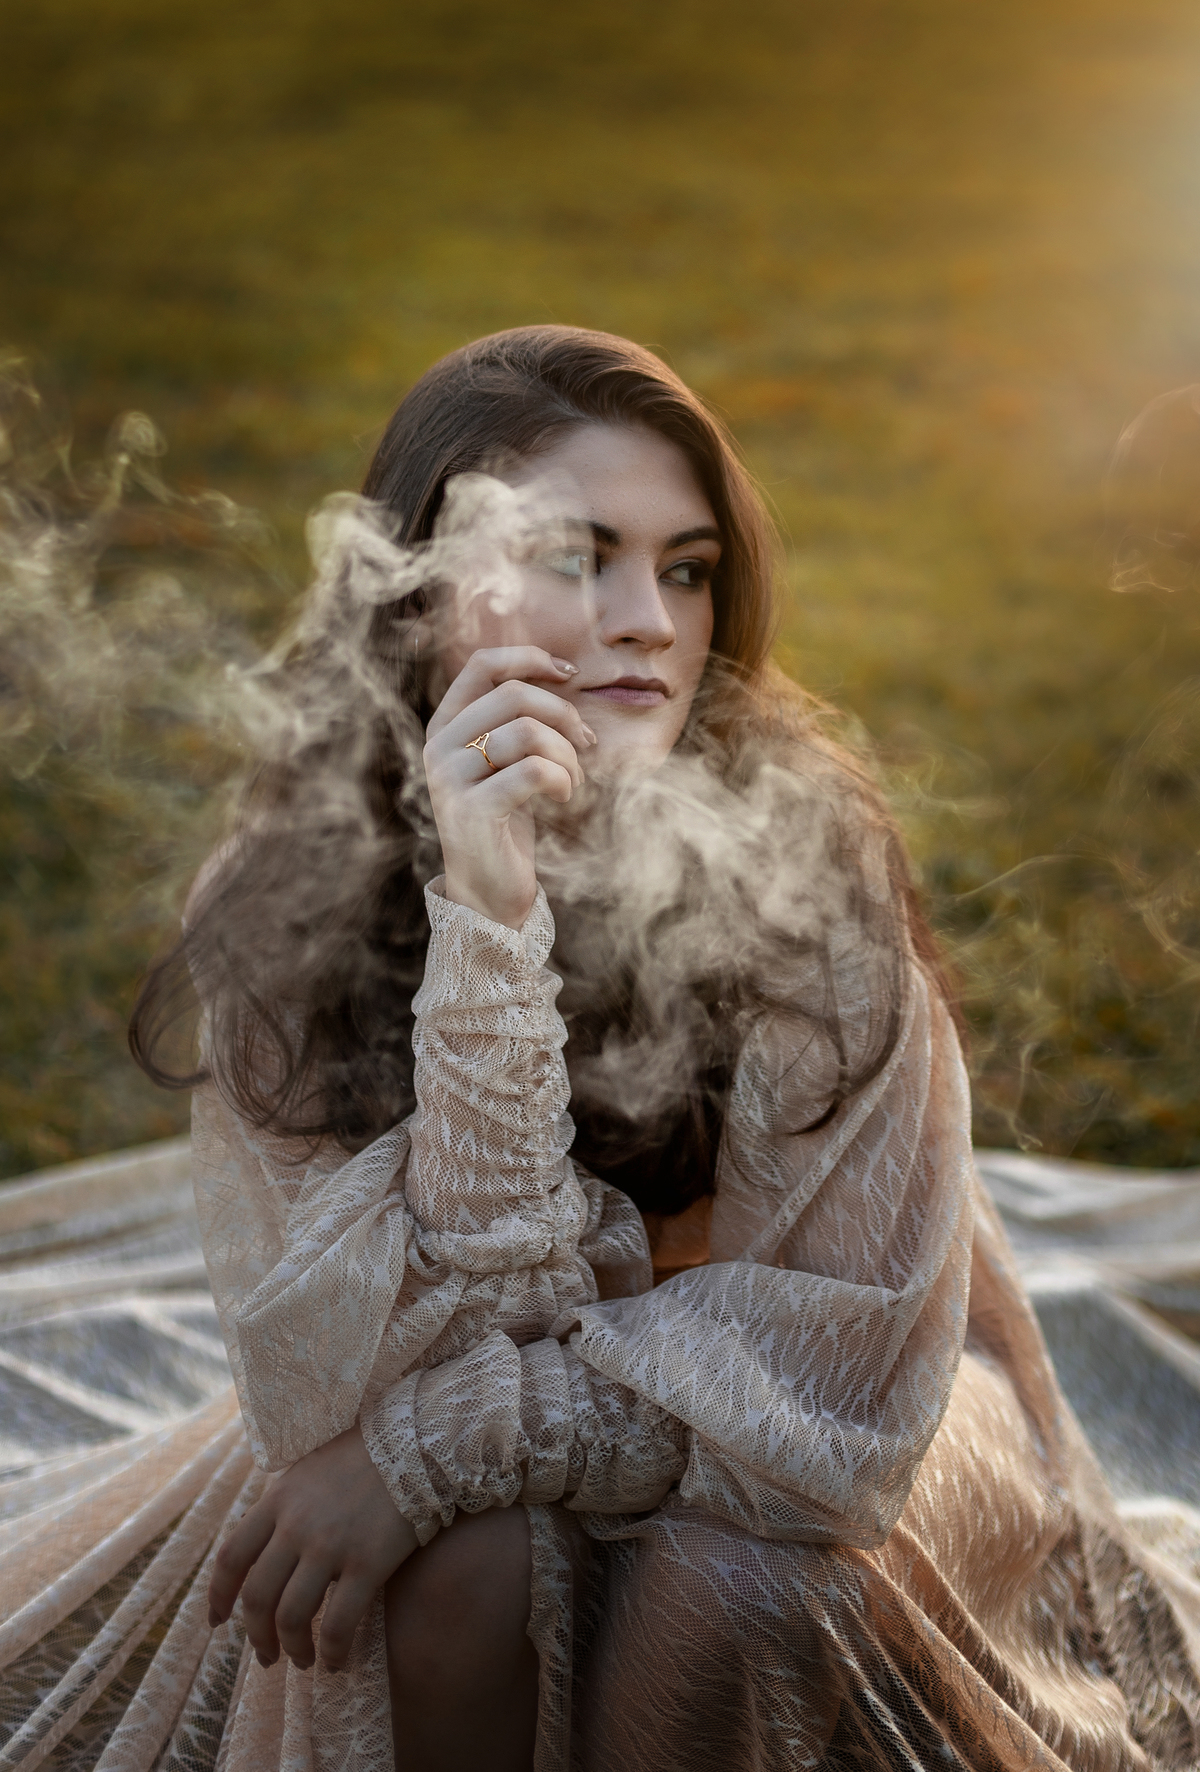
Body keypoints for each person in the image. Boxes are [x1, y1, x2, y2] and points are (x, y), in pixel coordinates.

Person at [126, 325, 1200, 1772]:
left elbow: (833, 1396)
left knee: (727, 1587)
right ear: (427, 596)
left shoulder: (803, 860)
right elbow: (364, 1378)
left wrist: (440, 1447)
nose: (651, 621)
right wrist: (486, 912)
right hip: (532, 1391)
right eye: (580, 556)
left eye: (685, 568)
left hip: (827, 1397)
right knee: (453, 1574)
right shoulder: (290, 887)